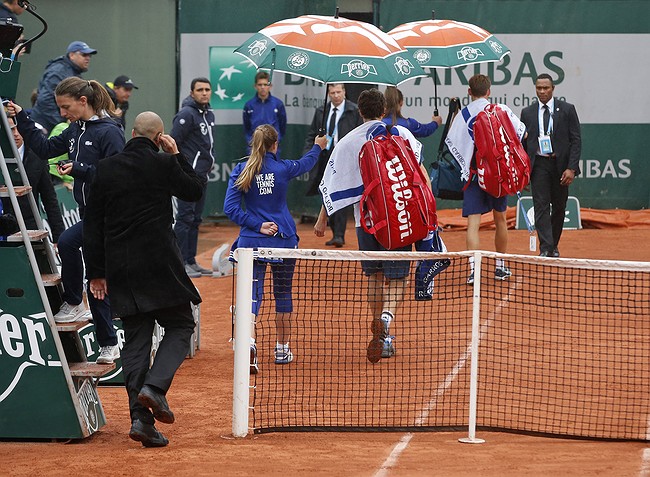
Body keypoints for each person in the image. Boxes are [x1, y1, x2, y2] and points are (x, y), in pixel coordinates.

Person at [84, 111, 203, 448]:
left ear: (132, 133)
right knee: (180, 326)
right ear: (157, 137)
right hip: (159, 265)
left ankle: (141, 420)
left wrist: (96, 273)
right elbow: (194, 190)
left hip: (121, 268)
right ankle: (155, 387)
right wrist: (176, 153)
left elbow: (92, 225)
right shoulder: (164, 164)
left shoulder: (105, 169)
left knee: (136, 341)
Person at [7, 77, 124, 364]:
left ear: (83, 102)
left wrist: (80, 169)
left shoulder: (110, 132)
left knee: (92, 274)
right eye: (60, 108)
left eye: (66, 107)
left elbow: (119, 176)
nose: (62, 114)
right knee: (88, 270)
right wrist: (21, 116)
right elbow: (45, 149)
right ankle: (96, 330)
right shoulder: (75, 129)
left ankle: (87, 318)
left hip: (108, 216)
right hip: (90, 214)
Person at [317, 88, 426, 363]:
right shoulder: (401, 134)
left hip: (365, 221)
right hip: (398, 215)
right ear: (383, 111)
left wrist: (321, 220)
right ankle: (387, 323)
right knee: (399, 277)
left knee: (375, 276)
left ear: (360, 112)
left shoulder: (347, 141)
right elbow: (419, 172)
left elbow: (332, 185)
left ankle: (378, 328)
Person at [224, 124, 327, 372]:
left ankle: (249, 343)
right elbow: (306, 163)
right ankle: (282, 349)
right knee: (283, 294)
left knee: (252, 294)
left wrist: (257, 225)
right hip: (283, 241)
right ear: (275, 144)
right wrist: (318, 146)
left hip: (252, 243)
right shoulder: (283, 169)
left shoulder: (241, 169)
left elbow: (231, 209)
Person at [445, 74, 526, 284]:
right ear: (489, 91)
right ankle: (500, 267)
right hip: (497, 174)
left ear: (469, 92)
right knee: (500, 219)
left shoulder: (463, 115)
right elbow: (521, 134)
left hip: (474, 175)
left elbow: (452, 145)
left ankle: (474, 271)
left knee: (474, 223)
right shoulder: (502, 110)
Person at [520, 73, 582, 257]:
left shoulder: (567, 109)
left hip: (560, 166)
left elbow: (576, 140)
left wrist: (571, 168)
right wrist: (523, 172)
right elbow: (522, 145)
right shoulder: (527, 112)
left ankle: (553, 244)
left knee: (560, 207)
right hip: (539, 165)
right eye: (539, 88)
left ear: (553, 89)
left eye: (546, 88)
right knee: (540, 206)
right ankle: (545, 248)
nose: (542, 91)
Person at [304, 83, 362, 247]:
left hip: (345, 157)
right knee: (326, 192)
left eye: (338, 92)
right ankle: (334, 231)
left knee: (339, 193)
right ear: (328, 94)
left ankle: (339, 235)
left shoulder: (354, 110)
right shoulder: (321, 111)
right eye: (332, 93)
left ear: (344, 92)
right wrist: (309, 153)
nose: (336, 95)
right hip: (325, 156)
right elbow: (312, 135)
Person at [171, 77, 215, 278]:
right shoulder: (186, 114)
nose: (204, 93)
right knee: (185, 218)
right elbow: (173, 142)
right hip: (188, 176)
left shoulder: (208, 114)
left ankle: (191, 261)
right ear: (192, 93)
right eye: (200, 90)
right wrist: (183, 169)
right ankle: (180, 264)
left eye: (207, 89)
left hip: (202, 175)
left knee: (196, 219)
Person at [3, 117, 65, 244]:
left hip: (30, 229)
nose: (15, 134)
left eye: (18, 128)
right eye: (10, 130)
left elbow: (49, 199)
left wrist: (59, 238)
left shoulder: (38, 156)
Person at [30, 41, 97, 133]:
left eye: (89, 55)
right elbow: (46, 100)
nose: (88, 58)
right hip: (45, 127)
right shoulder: (59, 71)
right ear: (72, 55)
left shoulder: (71, 72)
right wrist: (62, 124)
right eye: (84, 55)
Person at [243, 71, 286, 152]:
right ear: (255, 86)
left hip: (272, 147)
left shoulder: (278, 104)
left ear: (270, 86)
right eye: (260, 85)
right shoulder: (249, 105)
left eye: (265, 84)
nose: (262, 87)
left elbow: (282, 126)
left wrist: (276, 141)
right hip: (254, 147)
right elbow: (247, 128)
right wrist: (251, 142)